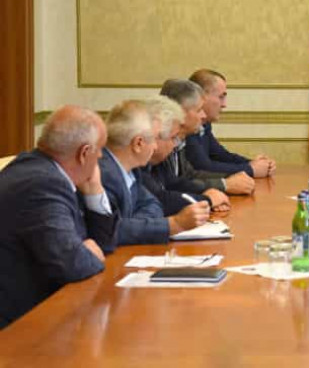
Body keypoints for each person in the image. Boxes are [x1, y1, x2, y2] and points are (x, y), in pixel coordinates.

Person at [0, 106, 118, 328]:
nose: (101, 157)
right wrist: (87, 252)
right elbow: (72, 264)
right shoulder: (42, 184)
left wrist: (94, 192)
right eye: (100, 149)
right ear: (84, 153)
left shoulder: (46, 171)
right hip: (17, 324)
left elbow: (104, 246)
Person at [100, 100, 210, 245]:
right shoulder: (103, 174)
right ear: (138, 143)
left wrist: (136, 225)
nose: (155, 147)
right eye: (153, 139)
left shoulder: (131, 169)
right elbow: (110, 231)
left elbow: (152, 203)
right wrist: (174, 224)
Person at [159, 79, 254, 196]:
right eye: (199, 110)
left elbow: (190, 175)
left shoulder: (179, 140)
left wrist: (232, 178)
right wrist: (224, 185)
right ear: (180, 112)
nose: (203, 116)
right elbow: (173, 186)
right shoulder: (161, 145)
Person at [140, 96, 231, 215]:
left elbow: (175, 184)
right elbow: (159, 200)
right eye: (173, 138)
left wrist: (210, 194)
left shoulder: (156, 162)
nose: (175, 145)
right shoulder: (137, 164)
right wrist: (207, 200)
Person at [186, 69, 276, 178]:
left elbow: (220, 155)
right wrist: (250, 169)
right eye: (221, 97)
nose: (224, 104)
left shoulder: (205, 124)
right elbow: (203, 167)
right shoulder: (187, 126)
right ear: (201, 97)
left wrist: (255, 164)